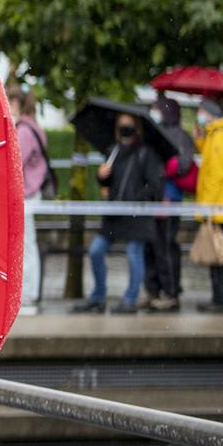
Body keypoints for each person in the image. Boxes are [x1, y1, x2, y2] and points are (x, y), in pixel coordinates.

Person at [72, 113, 164, 314]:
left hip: (136, 216)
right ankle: (98, 296)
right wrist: (101, 176)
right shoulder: (112, 151)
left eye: (129, 124)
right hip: (114, 215)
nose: (124, 127)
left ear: (136, 127)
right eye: (121, 124)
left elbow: (155, 186)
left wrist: (135, 200)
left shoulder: (146, 153)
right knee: (96, 250)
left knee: (134, 254)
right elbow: (109, 183)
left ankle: (130, 299)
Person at [142, 97, 197, 312]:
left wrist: (166, 170)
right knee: (152, 245)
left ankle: (170, 292)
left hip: (169, 198)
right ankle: (153, 289)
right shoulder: (155, 133)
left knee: (165, 245)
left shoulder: (179, 136)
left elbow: (183, 164)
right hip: (155, 198)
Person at [193, 98, 223, 313]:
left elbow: (215, 174)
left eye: (201, 112)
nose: (199, 115)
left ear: (209, 113)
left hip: (219, 205)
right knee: (218, 252)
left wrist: (207, 209)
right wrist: (200, 141)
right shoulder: (221, 134)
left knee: (220, 254)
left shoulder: (220, 136)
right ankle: (221, 298)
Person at [11, 84, 49, 313]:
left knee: (26, 245)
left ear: (16, 103)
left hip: (27, 196)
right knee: (28, 244)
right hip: (32, 194)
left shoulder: (24, 131)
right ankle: (29, 293)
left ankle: (28, 294)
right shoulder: (33, 127)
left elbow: (15, 161)